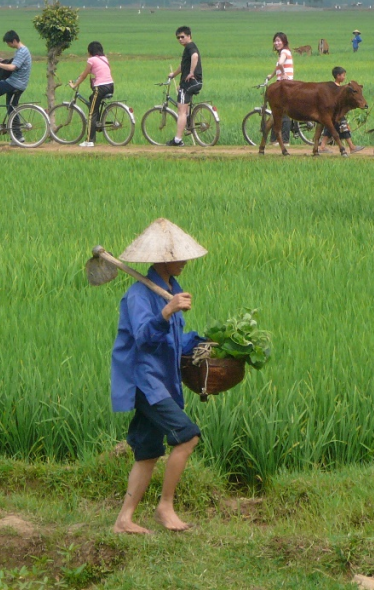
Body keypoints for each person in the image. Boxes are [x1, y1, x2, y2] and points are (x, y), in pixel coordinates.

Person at [111, 219, 208, 534]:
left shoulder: (171, 290)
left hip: (164, 380)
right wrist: (165, 313)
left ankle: (123, 521)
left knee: (148, 451)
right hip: (146, 382)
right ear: (165, 259)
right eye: (180, 256)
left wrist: (206, 342)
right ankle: (165, 507)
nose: (185, 261)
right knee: (188, 435)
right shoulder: (139, 295)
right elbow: (145, 339)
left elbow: (176, 339)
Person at [69, 41, 114, 147]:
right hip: (110, 86)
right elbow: (99, 70)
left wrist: (74, 85)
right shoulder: (104, 58)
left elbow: (84, 75)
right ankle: (97, 123)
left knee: (91, 113)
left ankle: (89, 140)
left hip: (100, 88)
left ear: (90, 51)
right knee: (91, 99)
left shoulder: (91, 59)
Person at [167, 26, 202, 147]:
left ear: (189, 36)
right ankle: (188, 124)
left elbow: (195, 57)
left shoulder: (190, 47)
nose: (180, 39)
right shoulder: (188, 48)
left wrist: (191, 72)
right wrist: (173, 75)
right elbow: (183, 66)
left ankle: (177, 140)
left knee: (181, 111)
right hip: (196, 83)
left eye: (182, 37)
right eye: (178, 38)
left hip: (190, 83)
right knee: (184, 103)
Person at [318, 66, 364, 153]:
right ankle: (351, 147)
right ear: (338, 76)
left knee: (330, 128)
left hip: (337, 112)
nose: (344, 77)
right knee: (343, 127)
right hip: (336, 112)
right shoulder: (335, 88)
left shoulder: (340, 87)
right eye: (343, 75)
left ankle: (322, 147)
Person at [270, 32, 294, 145]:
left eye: (279, 41)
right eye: (275, 41)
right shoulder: (283, 53)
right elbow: (278, 65)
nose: (276, 43)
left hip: (285, 85)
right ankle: (274, 140)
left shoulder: (284, 52)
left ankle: (285, 140)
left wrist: (284, 74)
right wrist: (271, 75)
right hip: (282, 83)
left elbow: (280, 64)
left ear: (284, 42)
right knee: (277, 112)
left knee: (282, 112)